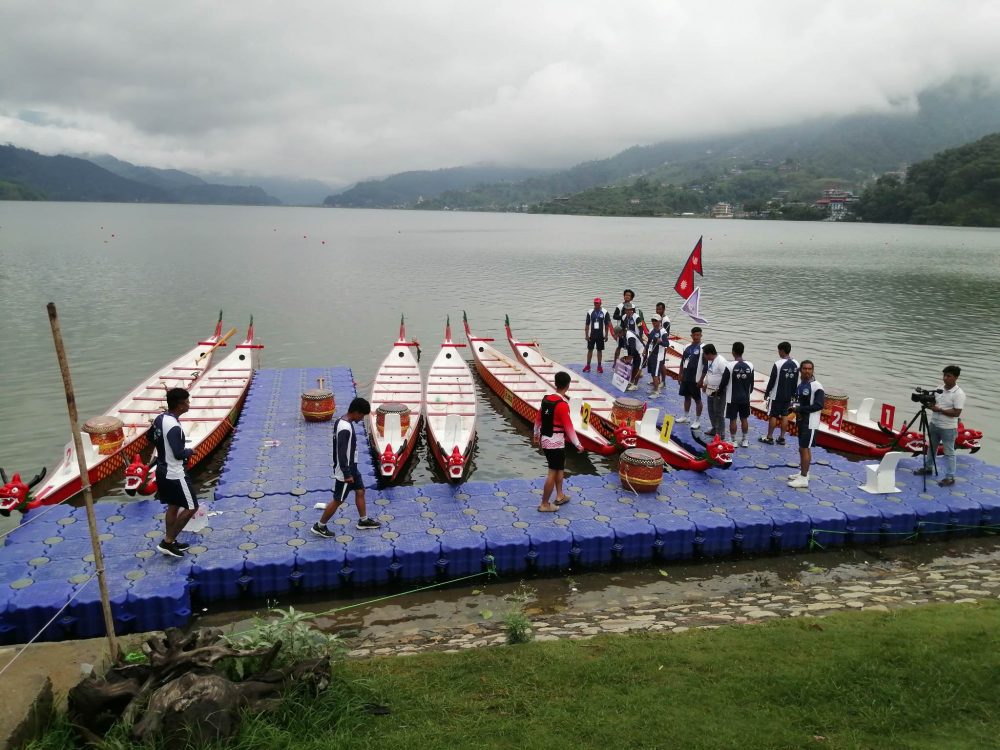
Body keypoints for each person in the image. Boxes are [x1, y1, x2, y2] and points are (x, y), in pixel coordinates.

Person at [312, 397, 382, 537]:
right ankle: (320, 526)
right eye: (362, 415)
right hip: (346, 471)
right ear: (356, 412)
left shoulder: (343, 421)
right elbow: (341, 452)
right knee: (339, 499)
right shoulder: (345, 428)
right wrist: (347, 473)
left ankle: (363, 521)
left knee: (360, 490)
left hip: (352, 468)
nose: (361, 419)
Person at [153, 387, 197, 558]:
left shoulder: (160, 419)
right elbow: (179, 453)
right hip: (175, 473)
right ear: (179, 406)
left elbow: (150, 437)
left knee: (174, 505)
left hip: (161, 469)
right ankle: (168, 542)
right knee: (192, 507)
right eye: (187, 402)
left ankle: (170, 540)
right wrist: (190, 451)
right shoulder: (175, 428)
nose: (189, 404)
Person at [533, 371, 586, 511]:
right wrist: (578, 444)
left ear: (555, 384)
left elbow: (538, 419)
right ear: (568, 386)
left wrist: (535, 433)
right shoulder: (563, 405)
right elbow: (569, 428)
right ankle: (544, 504)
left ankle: (560, 495)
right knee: (552, 471)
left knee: (559, 467)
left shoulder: (546, 399)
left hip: (545, 440)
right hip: (555, 443)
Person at [914, 365, 966, 487]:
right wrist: (928, 403)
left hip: (948, 428)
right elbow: (934, 403)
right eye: (944, 375)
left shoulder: (959, 394)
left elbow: (957, 412)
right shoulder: (939, 388)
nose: (945, 378)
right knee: (931, 447)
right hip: (934, 424)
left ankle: (950, 477)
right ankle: (928, 468)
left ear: (956, 377)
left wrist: (939, 410)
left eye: (949, 376)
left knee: (949, 452)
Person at [787, 360, 824, 488]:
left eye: (810, 369)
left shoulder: (816, 386)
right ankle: (804, 473)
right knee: (803, 448)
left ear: (813, 370)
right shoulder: (802, 384)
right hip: (801, 421)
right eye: (805, 369)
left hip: (810, 422)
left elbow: (819, 405)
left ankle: (803, 479)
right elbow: (798, 401)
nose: (807, 371)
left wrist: (800, 409)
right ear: (800, 370)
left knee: (804, 448)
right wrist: (792, 409)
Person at [760, 342, 799, 446]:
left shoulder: (778, 364)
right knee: (785, 415)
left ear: (782, 351)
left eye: (779, 351)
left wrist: (767, 392)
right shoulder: (797, 363)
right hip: (789, 395)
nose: (778, 353)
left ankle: (769, 437)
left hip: (776, 395)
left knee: (773, 415)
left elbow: (772, 380)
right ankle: (782, 438)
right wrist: (794, 394)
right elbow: (795, 381)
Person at [718, 342, 754, 447]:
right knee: (744, 418)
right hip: (745, 399)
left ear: (733, 352)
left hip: (732, 398)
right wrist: (748, 393)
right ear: (742, 351)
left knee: (733, 419)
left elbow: (723, 383)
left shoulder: (729, 366)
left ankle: (733, 441)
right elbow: (752, 384)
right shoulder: (750, 365)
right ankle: (745, 440)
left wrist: (719, 393)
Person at [676, 327, 705, 429]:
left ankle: (697, 420)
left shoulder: (703, 348)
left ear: (701, 335)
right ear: (691, 336)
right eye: (694, 335)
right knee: (686, 397)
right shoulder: (687, 346)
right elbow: (682, 361)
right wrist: (680, 374)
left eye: (698, 335)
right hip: (686, 377)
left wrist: (701, 380)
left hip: (695, 379)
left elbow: (706, 366)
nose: (696, 337)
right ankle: (686, 416)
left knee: (698, 400)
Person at [700, 344, 728, 437]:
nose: (704, 356)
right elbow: (709, 373)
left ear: (710, 354)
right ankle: (714, 428)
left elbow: (726, 377)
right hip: (710, 390)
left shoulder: (721, 361)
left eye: (704, 354)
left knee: (718, 412)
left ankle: (720, 433)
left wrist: (720, 390)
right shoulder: (710, 361)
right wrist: (705, 384)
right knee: (711, 410)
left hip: (719, 392)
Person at [583, 297, 610, 373]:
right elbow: (587, 324)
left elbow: (606, 325)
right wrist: (586, 335)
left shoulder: (605, 312)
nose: (596, 304)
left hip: (600, 335)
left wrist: (606, 335)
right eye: (595, 303)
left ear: (600, 303)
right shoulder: (590, 312)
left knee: (599, 350)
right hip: (592, 335)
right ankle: (588, 365)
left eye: (597, 303)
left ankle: (599, 366)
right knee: (590, 350)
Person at [643, 315, 668, 396]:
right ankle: (654, 388)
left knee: (655, 373)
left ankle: (657, 391)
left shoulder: (663, 332)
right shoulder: (651, 330)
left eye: (655, 321)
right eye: (653, 321)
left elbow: (667, 344)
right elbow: (649, 341)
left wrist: (660, 342)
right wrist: (645, 350)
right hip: (651, 354)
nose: (654, 322)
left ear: (659, 321)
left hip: (658, 356)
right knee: (652, 372)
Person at [612, 289, 636, 366]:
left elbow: (634, 317)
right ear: (624, 296)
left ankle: (629, 363)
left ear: (631, 298)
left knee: (630, 347)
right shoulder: (619, 306)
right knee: (619, 346)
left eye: (629, 295)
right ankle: (615, 363)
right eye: (626, 295)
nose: (627, 296)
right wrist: (623, 316)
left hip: (629, 331)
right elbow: (614, 316)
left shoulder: (633, 306)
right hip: (620, 330)